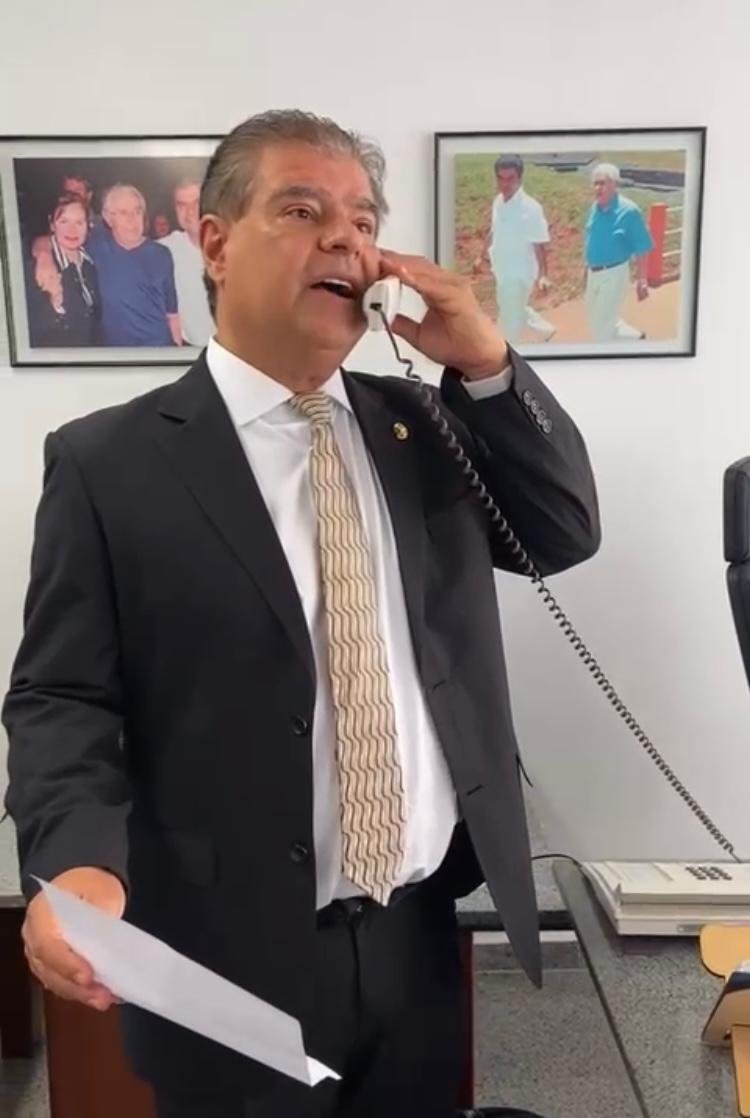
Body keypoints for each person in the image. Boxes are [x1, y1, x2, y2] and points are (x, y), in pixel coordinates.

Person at [3, 109, 600, 1118]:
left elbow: (561, 531)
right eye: (302, 210)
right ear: (215, 243)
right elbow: (61, 695)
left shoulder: (423, 425)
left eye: (364, 220)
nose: (346, 240)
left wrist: (487, 360)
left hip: (418, 931)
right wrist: (76, 861)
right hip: (223, 958)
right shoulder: (109, 462)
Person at [33, 183, 182, 347]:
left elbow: (172, 314)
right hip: (115, 355)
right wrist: (44, 256)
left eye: (137, 211)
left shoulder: (162, 254)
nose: (132, 219)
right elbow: (53, 238)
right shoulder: (96, 246)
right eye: (123, 212)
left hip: (159, 349)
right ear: (108, 219)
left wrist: (178, 352)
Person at [476, 154, 555, 345]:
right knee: (511, 307)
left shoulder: (531, 208)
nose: (505, 184)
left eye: (510, 178)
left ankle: (509, 351)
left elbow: (539, 244)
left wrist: (543, 275)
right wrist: (481, 256)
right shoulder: (498, 201)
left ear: (520, 178)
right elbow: (494, 230)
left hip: (520, 272)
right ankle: (544, 331)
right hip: (501, 268)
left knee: (509, 321)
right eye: (501, 178)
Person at [584, 163, 654, 342]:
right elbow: (592, 240)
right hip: (594, 273)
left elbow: (642, 246)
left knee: (601, 330)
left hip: (614, 274)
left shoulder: (629, 211)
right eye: (595, 183)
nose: (598, 188)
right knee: (598, 322)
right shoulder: (594, 209)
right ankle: (635, 339)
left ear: (614, 185)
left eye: (602, 183)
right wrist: (586, 269)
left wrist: (642, 279)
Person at [25, 192, 100, 347]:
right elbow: (26, 333)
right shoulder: (36, 268)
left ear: (89, 226)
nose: (72, 230)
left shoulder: (90, 264)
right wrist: (54, 305)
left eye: (79, 223)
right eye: (64, 221)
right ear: (52, 224)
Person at [158, 177, 215, 347]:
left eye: (196, 203)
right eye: (181, 205)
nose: (189, 211)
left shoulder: (237, 247)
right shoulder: (164, 250)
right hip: (188, 352)